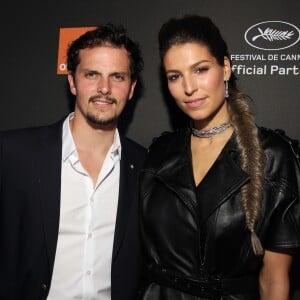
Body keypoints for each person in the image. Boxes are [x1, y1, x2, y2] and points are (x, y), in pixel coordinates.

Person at [139, 15, 300, 300]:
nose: (189, 88)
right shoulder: (159, 152)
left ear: (225, 68)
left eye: (200, 70)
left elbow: (274, 281)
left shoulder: (272, 154)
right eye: (175, 76)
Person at [0, 23, 146, 300]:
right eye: (92, 74)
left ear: (131, 88)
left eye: (117, 76)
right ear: (72, 81)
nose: (104, 88)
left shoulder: (145, 166)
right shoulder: (13, 154)